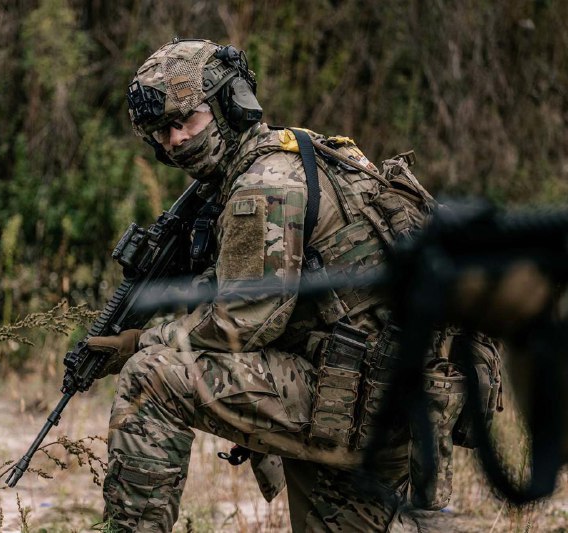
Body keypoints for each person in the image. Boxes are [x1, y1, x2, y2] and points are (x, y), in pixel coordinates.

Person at [86, 38, 487, 532]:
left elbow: (241, 324)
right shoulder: (305, 150)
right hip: (384, 398)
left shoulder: (263, 185)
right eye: (160, 132)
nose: (174, 141)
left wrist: (142, 341)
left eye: (184, 120)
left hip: (352, 401)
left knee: (152, 375)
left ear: (229, 104)